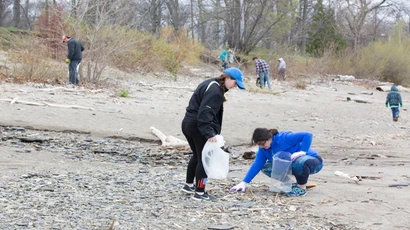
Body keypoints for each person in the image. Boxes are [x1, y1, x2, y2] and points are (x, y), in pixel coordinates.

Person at [181, 67, 246, 201]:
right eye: (235, 83)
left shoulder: (210, 83)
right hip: (198, 127)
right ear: (227, 78)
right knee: (205, 160)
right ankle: (199, 192)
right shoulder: (215, 91)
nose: (234, 87)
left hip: (188, 123)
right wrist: (209, 133)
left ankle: (188, 185)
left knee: (197, 155)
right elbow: (205, 114)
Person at [230, 128, 323, 197]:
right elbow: (257, 165)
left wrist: (303, 151)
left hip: (313, 162)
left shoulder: (284, 138)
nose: (262, 147)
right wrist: (244, 182)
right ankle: (290, 184)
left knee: (299, 161)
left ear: (269, 139)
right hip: (291, 164)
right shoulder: (263, 150)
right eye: (259, 145)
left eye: (263, 144)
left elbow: (307, 134)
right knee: (266, 167)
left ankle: (301, 188)